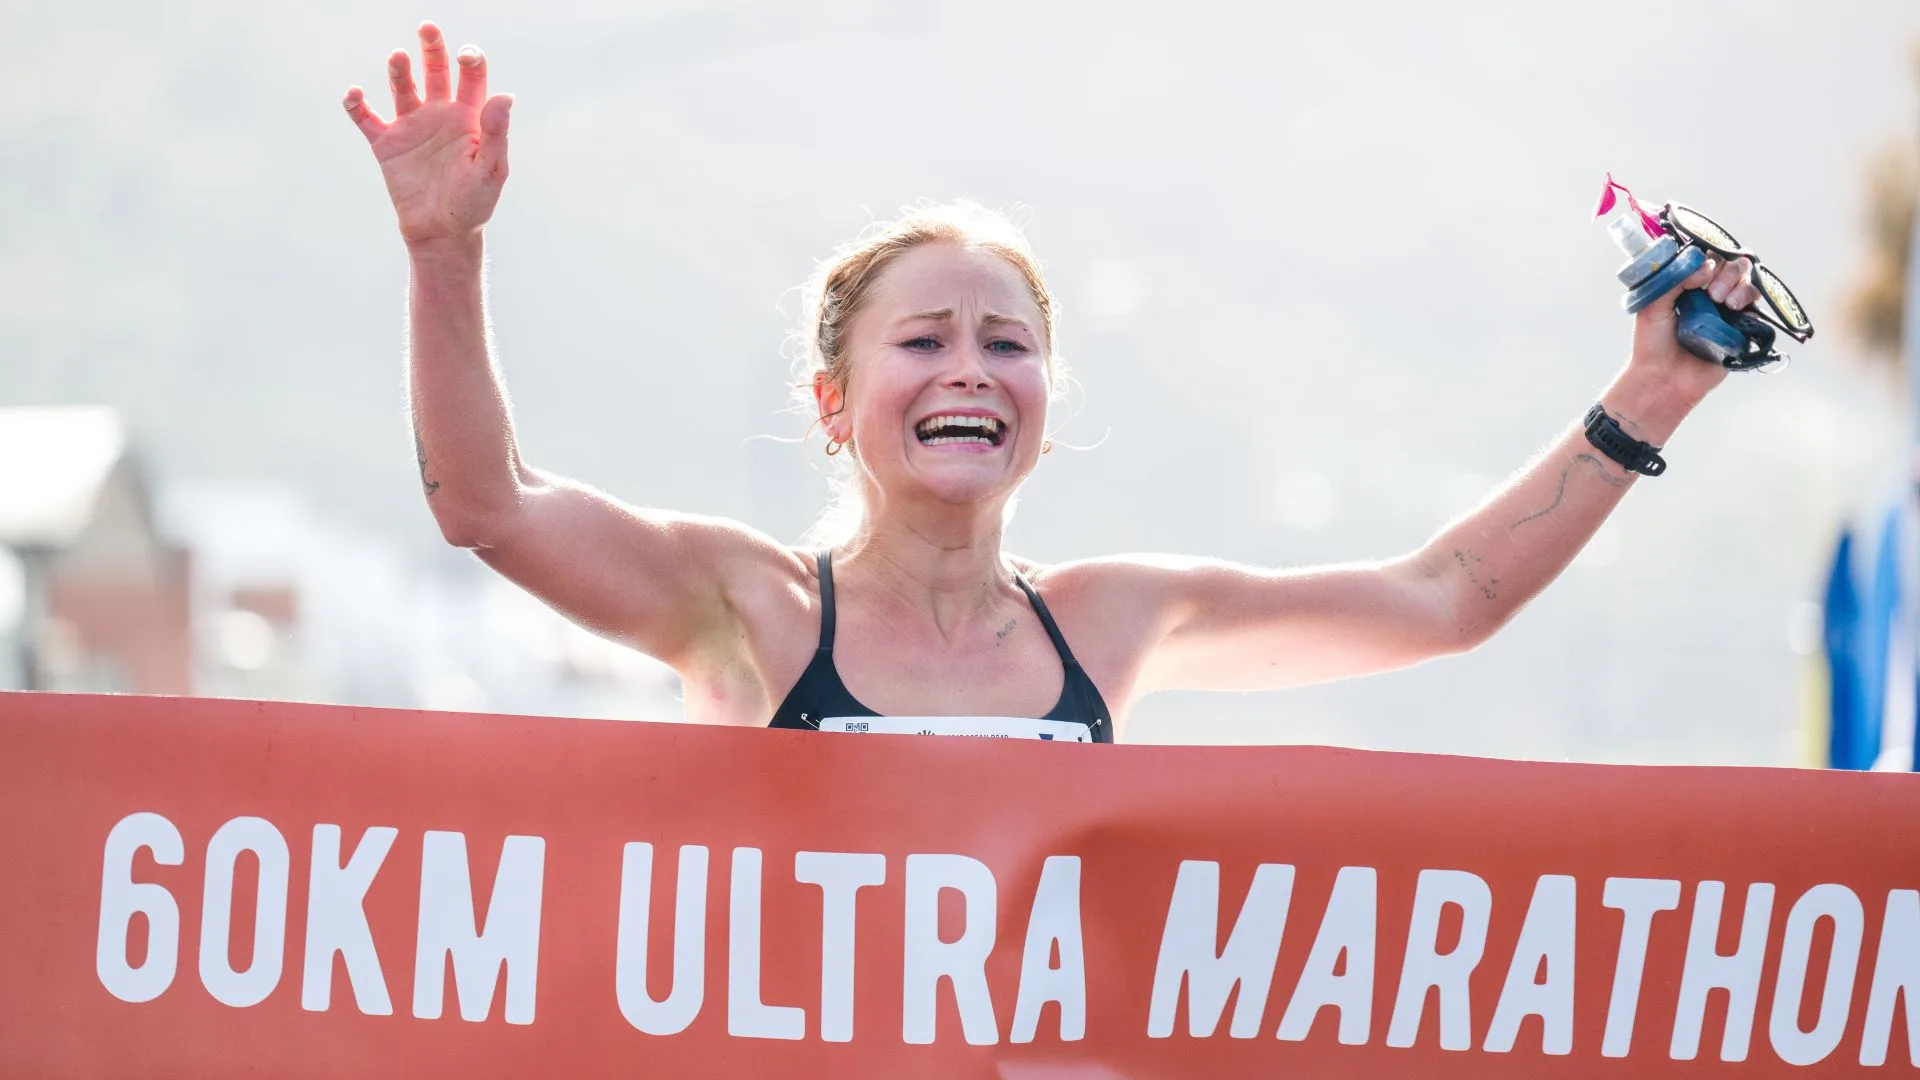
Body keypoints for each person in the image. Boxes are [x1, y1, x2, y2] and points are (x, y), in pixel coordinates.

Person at [343, 22, 1766, 743]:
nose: (970, 367)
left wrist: (1655, 395)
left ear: (1046, 397)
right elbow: (491, 507)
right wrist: (441, 259)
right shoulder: (747, 604)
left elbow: (1445, 601)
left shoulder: (1118, 621)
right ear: (835, 404)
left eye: (1005, 341)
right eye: (924, 340)